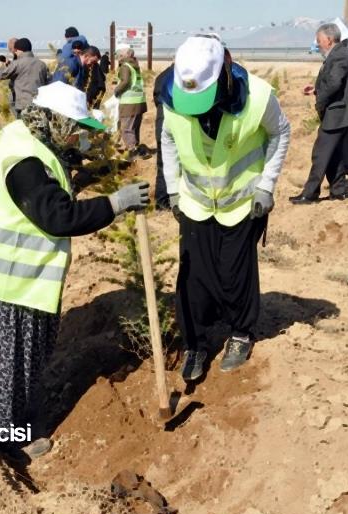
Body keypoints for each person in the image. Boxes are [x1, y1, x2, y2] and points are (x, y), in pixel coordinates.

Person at [0, 81, 149, 460]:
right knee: (12, 369)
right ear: (57, 121)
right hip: (6, 283)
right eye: (78, 129)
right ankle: (7, 444)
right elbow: (57, 216)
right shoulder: (28, 162)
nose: (81, 137)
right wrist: (115, 203)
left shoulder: (18, 134)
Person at [159, 35, 290, 380]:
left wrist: (266, 185)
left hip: (242, 202)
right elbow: (168, 138)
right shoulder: (171, 93)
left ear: (224, 73)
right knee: (193, 277)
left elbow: (281, 134)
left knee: (236, 273)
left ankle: (240, 334)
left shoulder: (259, 97)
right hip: (195, 201)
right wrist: (173, 189)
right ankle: (195, 344)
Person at [290, 23, 348, 204]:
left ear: (329, 39)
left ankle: (310, 194)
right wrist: (316, 88)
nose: (317, 44)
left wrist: (320, 99)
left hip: (336, 115)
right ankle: (339, 191)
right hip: (337, 114)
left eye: (319, 41)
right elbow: (333, 81)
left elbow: (334, 84)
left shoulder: (340, 55)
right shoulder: (338, 54)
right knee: (334, 155)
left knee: (320, 154)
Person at [0, 38, 48, 119]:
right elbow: (46, 83)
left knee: (24, 129)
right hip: (40, 104)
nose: (15, 53)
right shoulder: (42, 65)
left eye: (16, 50)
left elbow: (0, 74)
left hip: (24, 105)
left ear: (20, 50)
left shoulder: (17, 64)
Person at [114, 47, 147, 156]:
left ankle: (133, 151)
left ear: (123, 56)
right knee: (135, 128)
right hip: (139, 102)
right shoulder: (135, 65)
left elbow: (125, 81)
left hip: (129, 103)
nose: (118, 58)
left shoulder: (125, 66)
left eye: (118, 55)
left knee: (127, 129)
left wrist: (116, 90)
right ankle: (137, 148)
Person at [152, 64, 174, 209]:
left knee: (162, 165)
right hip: (174, 126)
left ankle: (161, 201)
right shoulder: (183, 76)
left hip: (161, 122)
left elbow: (156, 99)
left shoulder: (162, 76)